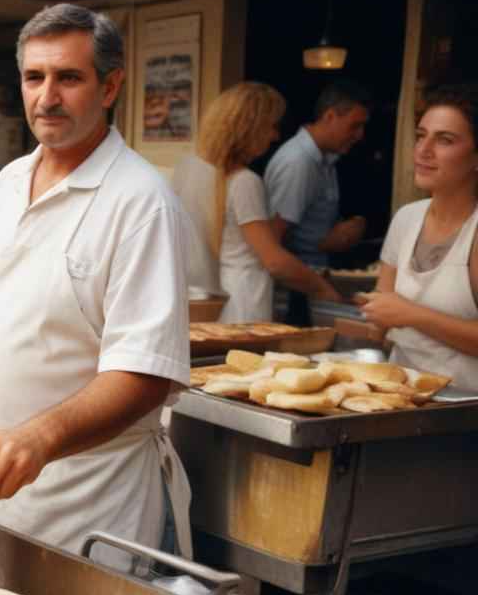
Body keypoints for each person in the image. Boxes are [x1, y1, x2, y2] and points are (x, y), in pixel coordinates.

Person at [0, 4, 192, 569]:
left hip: (77, 511)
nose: (47, 96)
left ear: (111, 85)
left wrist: (41, 437)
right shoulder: (9, 179)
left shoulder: (140, 202)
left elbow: (145, 374)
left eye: (68, 78)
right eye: (34, 77)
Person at [173, 82, 341, 322]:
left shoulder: (189, 168)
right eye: (271, 126)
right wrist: (322, 288)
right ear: (249, 129)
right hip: (243, 300)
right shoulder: (245, 181)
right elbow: (273, 261)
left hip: (211, 297)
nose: (275, 135)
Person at [364, 85, 478, 389]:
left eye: (445, 140)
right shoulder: (407, 218)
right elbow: (382, 320)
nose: (423, 150)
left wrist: (412, 315)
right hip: (399, 401)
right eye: (420, 135)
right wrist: (377, 316)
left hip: (461, 414)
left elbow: (402, 312)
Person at [266, 80, 372, 322]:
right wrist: (326, 242)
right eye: (354, 126)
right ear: (330, 116)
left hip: (314, 281)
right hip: (297, 290)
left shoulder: (324, 158)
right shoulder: (299, 162)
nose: (360, 135)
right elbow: (275, 237)